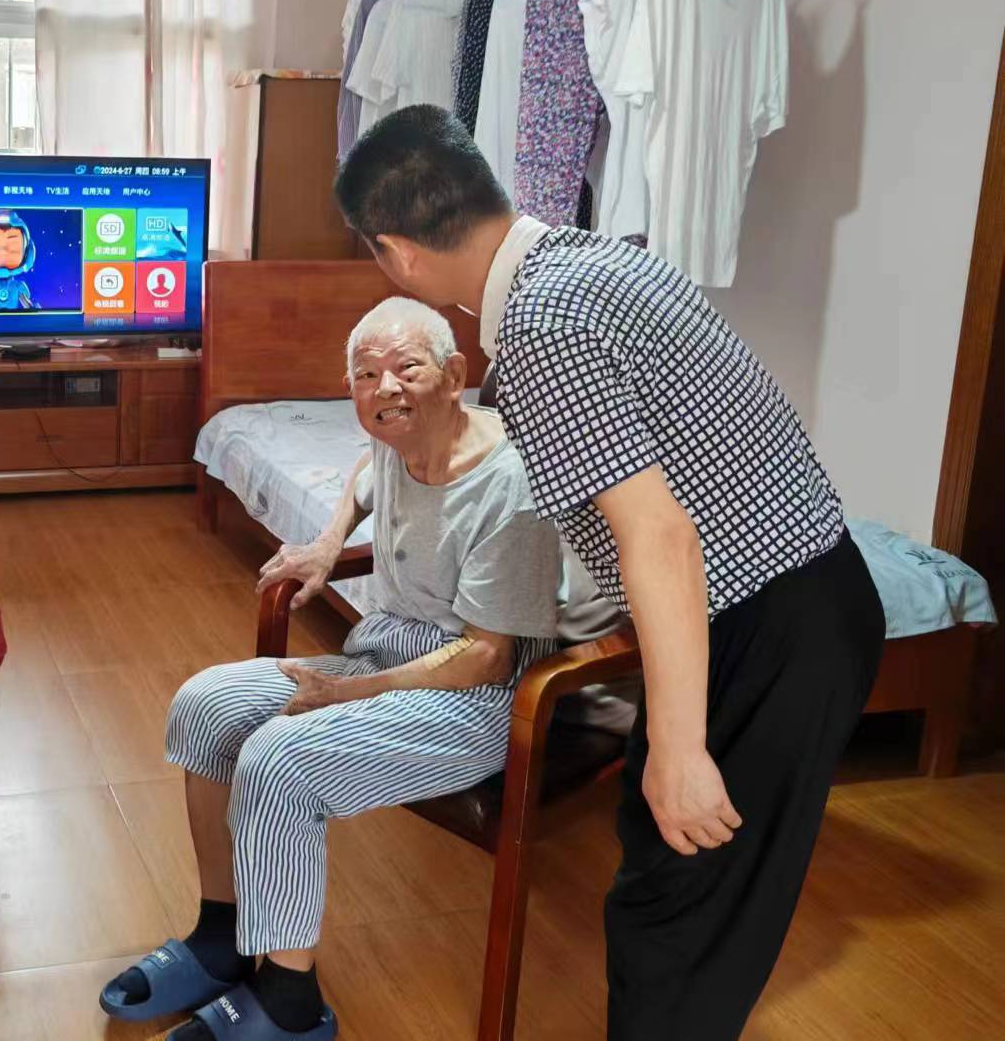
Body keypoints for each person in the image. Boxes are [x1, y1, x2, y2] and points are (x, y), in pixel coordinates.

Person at [333, 105, 885, 1040]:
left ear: (399, 253)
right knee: (672, 886)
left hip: (770, 624)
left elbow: (659, 536)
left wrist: (678, 747)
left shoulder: (541, 328)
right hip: (803, 597)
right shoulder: (601, 259)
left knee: (675, 914)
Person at [100, 298, 563, 1041]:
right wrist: (327, 542)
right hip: (383, 650)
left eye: (406, 368)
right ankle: (221, 937)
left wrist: (345, 693)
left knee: (279, 758)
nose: (386, 389)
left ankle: (289, 1004)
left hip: (477, 697)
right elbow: (362, 473)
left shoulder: (509, 487)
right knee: (204, 704)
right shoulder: (396, 438)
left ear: (455, 375)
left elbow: (487, 655)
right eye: (366, 375)